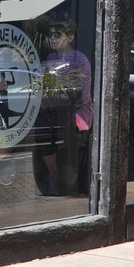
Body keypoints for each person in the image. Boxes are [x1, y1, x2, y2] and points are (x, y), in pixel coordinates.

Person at [36, 19, 92, 198]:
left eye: (57, 34)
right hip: (56, 110)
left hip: (79, 112)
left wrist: (60, 101)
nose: (52, 38)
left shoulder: (80, 59)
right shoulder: (51, 59)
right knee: (43, 130)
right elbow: (48, 88)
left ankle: (71, 180)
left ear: (70, 38)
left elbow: (84, 96)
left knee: (63, 128)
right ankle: (53, 175)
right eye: (50, 34)